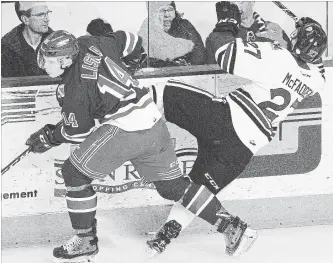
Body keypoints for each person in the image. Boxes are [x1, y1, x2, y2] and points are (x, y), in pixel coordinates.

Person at [145, 2, 327, 257]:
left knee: (165, 92)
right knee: (198, 191)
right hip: (240, 152)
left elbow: (224, 53)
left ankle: (120, 109)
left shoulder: (277, 57)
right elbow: (315, 64)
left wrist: (227, 22)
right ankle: (166, 236)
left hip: (224, 122)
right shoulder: (316, 80)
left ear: (294, 44)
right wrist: (307, 31)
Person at [25, 29, 192, 262]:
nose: (43, 65)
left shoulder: (75, 89)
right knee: (173, 188)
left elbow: (77, 133)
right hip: (152, 115)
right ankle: (231, 224)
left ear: (65, 60)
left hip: (127, 125)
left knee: (73, 173)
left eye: (48, 60)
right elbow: (133, 40)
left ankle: (85, 240)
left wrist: (50, 136)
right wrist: (130, 69)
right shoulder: (90, 42)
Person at [206, 1, 291, 64]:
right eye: (232, 2)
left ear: (252, 1)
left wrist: (286, 48)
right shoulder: (221, 33)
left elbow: (293, 64)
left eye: (240, 1)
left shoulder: (273, 29)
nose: (237, 6)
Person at [138, 1, 207, 67]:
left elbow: (199, 50)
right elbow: (142, 57)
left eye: (170, 9)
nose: (167, 14)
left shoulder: (185, 25)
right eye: (162, 11)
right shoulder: (147, 28)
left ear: (174, 11)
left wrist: (189, 64)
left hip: (186, 71)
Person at [1, 1, 53, 77]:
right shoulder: (6, 47)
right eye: (40, 15)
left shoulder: (56, 40)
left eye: (47, 13)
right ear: (25, 19)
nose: (47, 19)